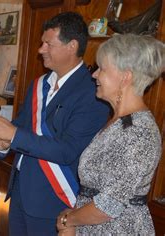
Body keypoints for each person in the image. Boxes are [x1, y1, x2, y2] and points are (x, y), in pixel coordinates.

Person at [0, 12, 110, 235]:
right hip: (21, 191)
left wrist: (13, 135)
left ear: (72, 46)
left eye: (48, 44)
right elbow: (21, 127)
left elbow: (67, 150)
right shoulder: (38, 84)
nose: (41, 49)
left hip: (53, 200)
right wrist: (3, 143)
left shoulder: (92, 92)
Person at [56, 34, 164, 235]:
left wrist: (67, 219)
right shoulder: (118, 122)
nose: (95, 74)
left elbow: (108, 205)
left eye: (102, 69)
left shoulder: (139, 132)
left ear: (126, 76)